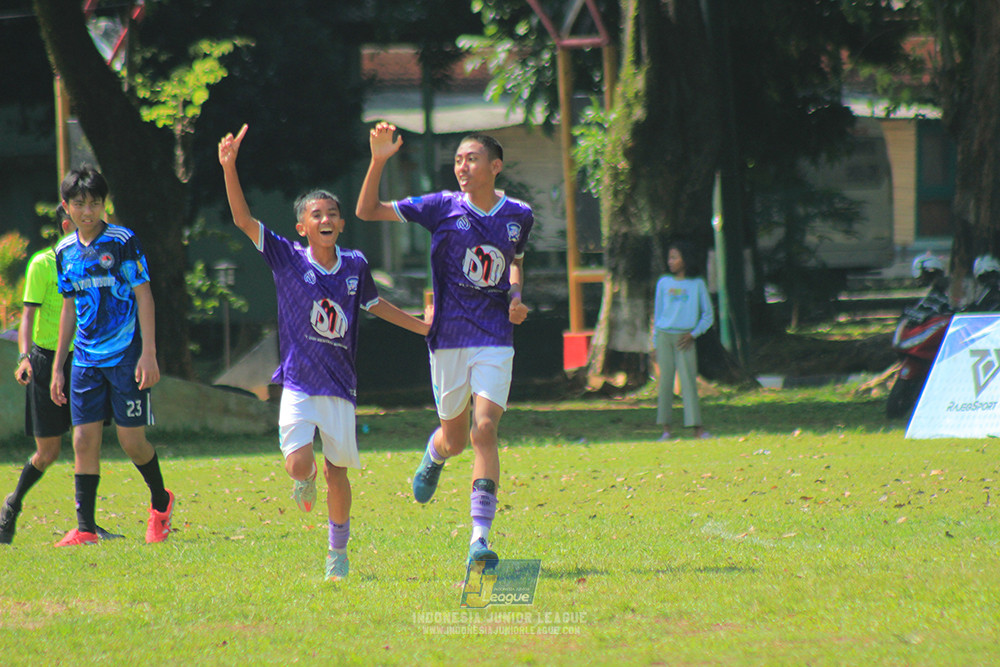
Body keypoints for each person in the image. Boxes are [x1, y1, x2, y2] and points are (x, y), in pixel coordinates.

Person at [218, 124, 430, 582]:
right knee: (299, 463)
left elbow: (376, 304)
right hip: (298, 382)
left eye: (332, 212)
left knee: (339, 473)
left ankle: (338, 553)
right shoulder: (287, 258)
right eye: (317, 214)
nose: (326, 218)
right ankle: (303, 479)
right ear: (303, 227)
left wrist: (422, 327)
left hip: (340, 386)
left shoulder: (355, 265)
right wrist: (229, 167)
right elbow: (243, 219)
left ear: (341, 223)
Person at [356, 121, 533, 569]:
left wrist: (515, 296)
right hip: (448, 340)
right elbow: (367, 210)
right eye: (457, 160)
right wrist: (378, 160)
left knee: (484, 430)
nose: (462, 167)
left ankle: (479, 539)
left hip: (495, 336)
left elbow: (514, 262)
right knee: (455, 439)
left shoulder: (519, 215)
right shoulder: (440, 206)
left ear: (495, 166)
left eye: (471, 159)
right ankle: (435, 454)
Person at [49, 165, 173, 547]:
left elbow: (144, 295)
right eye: (79, 204)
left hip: (126, 356)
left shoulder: (123, 241)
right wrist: (59, 366)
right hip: (85, 360)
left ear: (105, 204)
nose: (87, 211)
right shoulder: (64, 252)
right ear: (66, 206)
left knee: (131, 441)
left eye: (95, 203)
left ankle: (161, 502)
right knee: (82, 440)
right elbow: (69, 308)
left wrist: (148, 353)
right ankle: (85, 528)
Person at [0, 206, 122, 544]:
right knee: (48, 452)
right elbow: (28, 316)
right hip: (47, 361)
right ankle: (12, 504)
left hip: (85, 360)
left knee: (88, 442)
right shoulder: (42, 264)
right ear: (67, 224)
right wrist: (24, 357)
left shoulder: (97, 261)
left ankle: (87, 525)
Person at [652, 240, 714, 441]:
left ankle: (697, 429)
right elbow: (658, 314)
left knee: (688, 383)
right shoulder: (663, 283)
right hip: (665, 336)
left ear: (685, 259)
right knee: (665, 383)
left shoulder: (697, 284)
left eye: (674, 257)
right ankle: (666, 430)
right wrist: (655, 343)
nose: (670, 262)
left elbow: (708, 316)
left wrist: (693, 334)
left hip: (685, 338)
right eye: (669, 258)